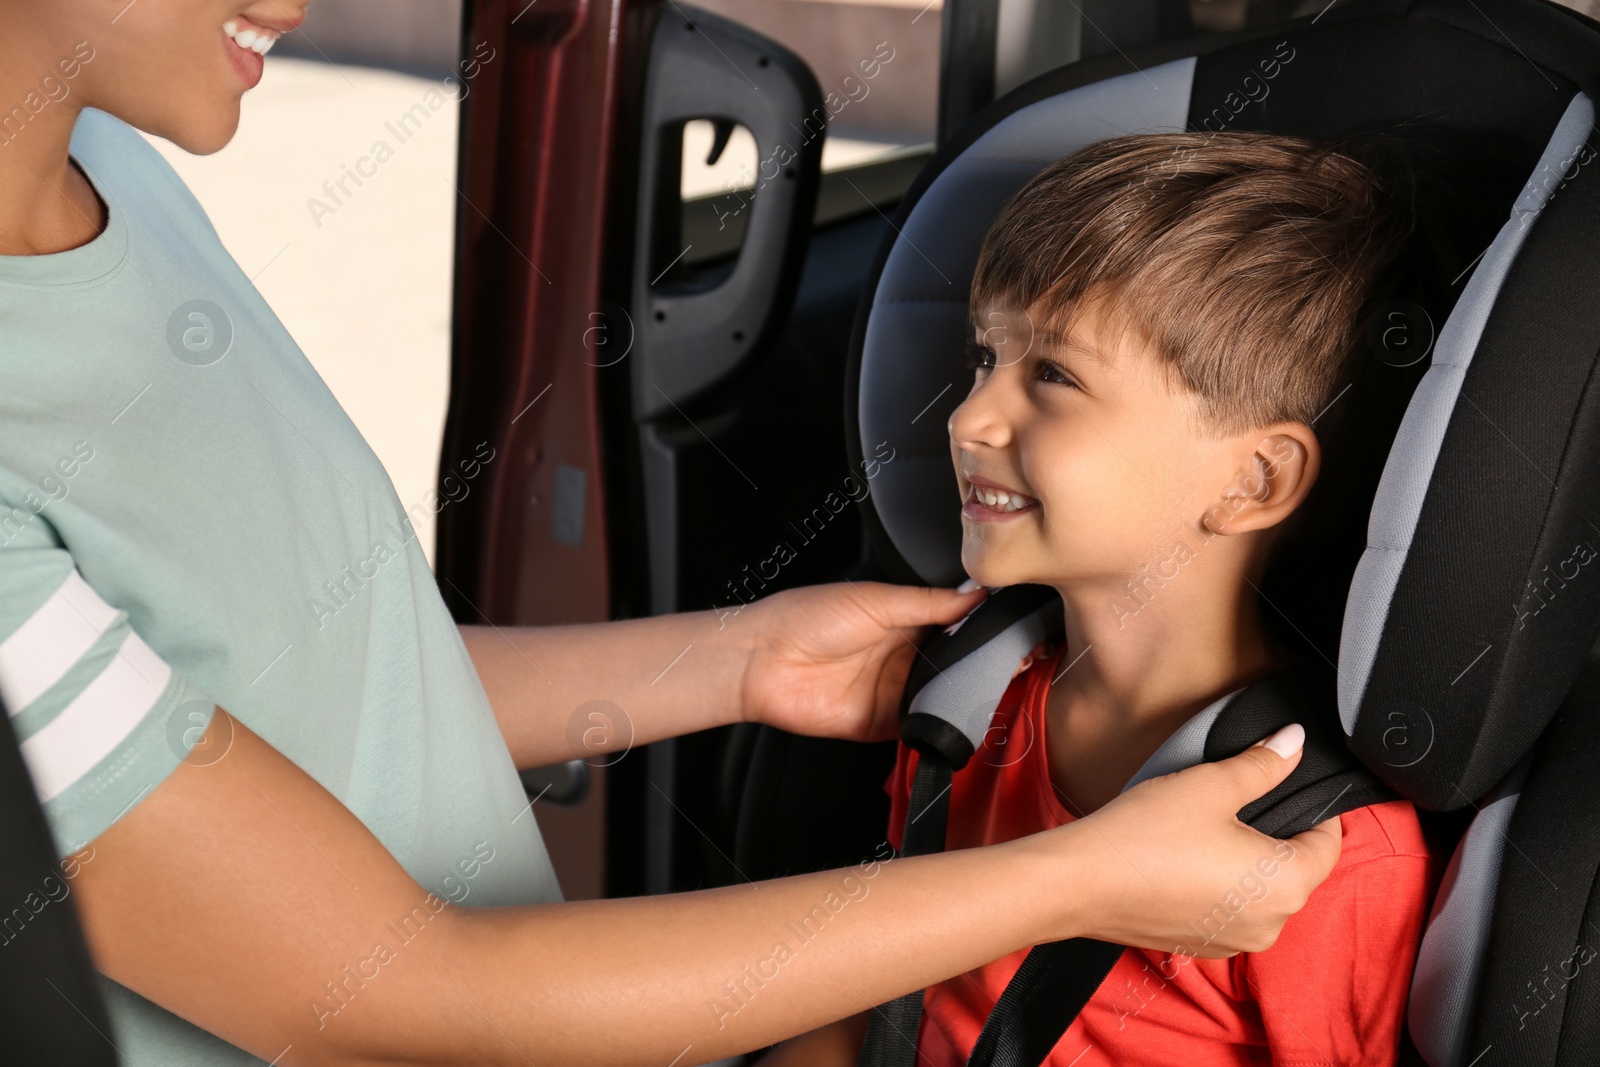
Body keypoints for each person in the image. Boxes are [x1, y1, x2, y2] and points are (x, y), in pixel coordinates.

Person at [0, 5, 1344, 1066]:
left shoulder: (109, 157)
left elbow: (293, 675)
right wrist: (1080, 879)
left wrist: (735, 658)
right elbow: (400, 988)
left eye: (1051, 375)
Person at [766, 133, 1437, 1066]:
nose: (965, 417)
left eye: (1054, 374)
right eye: (983, 357)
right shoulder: (964, 700)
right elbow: (872, 989)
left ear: (1252, 479)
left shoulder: (1323, 847)